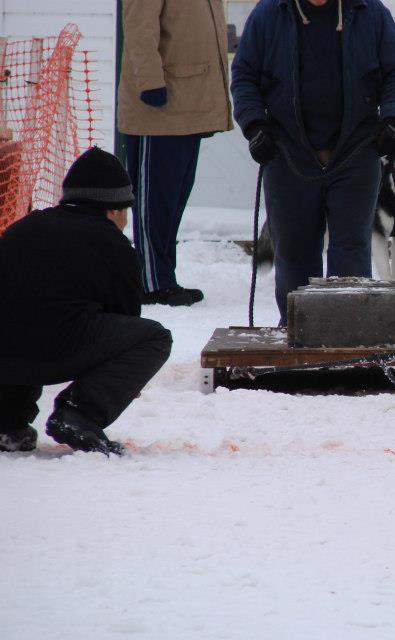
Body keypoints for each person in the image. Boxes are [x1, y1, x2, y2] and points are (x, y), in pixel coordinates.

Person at [231, 0, 395, 325]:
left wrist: (394, 119)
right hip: (288, 154)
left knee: (351, 250)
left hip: (356, 152)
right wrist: (255, 124)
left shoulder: (370, 12)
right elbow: (244, 76)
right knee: (295, 252)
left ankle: (348, 336)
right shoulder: (270, 13)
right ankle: (298, 336)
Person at [0, 148, 173, 455]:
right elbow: (126, 318)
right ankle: (79, 414)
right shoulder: (112, 244)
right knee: (153, 337)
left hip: (6, 354)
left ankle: (8, 423)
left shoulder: (23, 228)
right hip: (55, 349)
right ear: (115, 210)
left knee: (23, 318)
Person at [118, 0, 233, 307]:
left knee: (172, 202)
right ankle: (151, 282)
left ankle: (164, 278)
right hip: (159, 109)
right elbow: (140, 29)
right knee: (154, 204)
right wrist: (150, 82)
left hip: (187, 105)